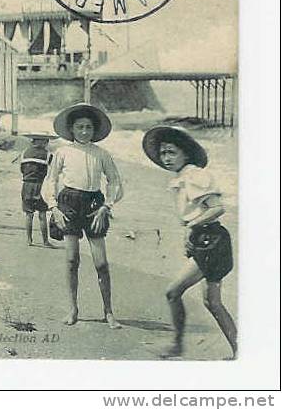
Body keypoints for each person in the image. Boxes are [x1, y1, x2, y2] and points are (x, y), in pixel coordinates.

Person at [142, 126, 236, 359]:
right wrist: (190, 232)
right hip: (209, 240)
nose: (166, 158)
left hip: (211, 241)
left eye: (171, 153)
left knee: (173, 292)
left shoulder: (194, 176)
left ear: (186, 153)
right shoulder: (183, 177)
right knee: (212, 302)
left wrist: (191, 227)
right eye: (163, 154)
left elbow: (217, 208)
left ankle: (176, 345)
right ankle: (240, 350)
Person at [50, 103, 124, 329]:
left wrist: (107, 206)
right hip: (69, 202)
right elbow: (51, 180)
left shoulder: (102, 154)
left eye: (88, 127)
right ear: (71, 129)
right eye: (79, 127)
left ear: (94, 130)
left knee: (101, 263)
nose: (84, 131)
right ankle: (73, 309)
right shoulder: (62, 152)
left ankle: (108, 312)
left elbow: (115, 181)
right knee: (72, 260)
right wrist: (54, 207)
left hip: (94, 204)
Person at [19, 133, 58, 247]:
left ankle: (29, 240)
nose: (47, 143)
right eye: (46, 141)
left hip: (26, 186)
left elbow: (22, 169)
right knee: (42, 214)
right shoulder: (47, 155)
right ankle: (45, 241)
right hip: (40, 186)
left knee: (29, 214)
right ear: (40, 141)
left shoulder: (24, 153)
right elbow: (53, 170)